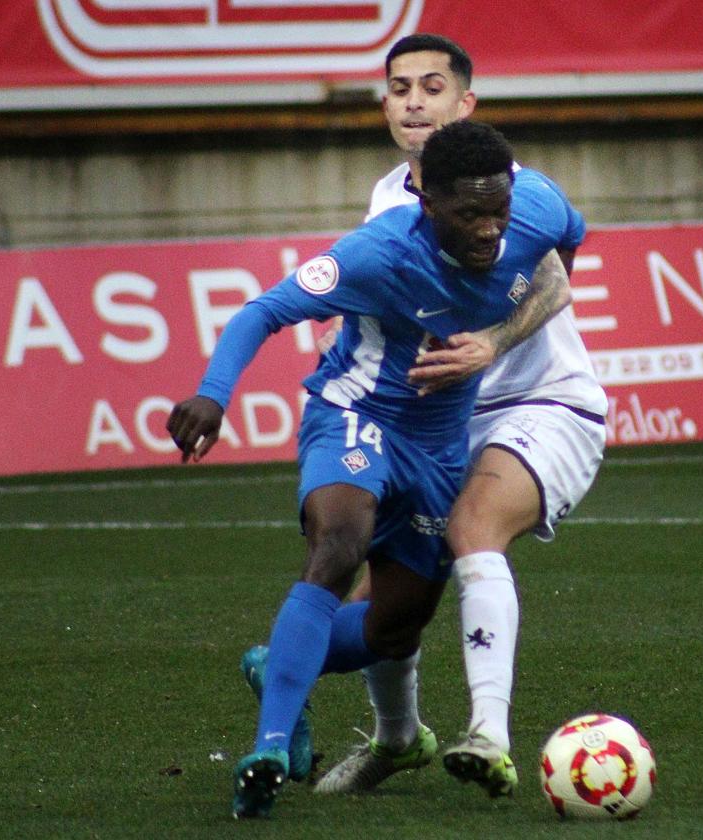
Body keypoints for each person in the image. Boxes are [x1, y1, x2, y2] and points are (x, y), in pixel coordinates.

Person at [167, 120, 580, 818]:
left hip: (441, 447)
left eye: (498, 213)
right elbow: (263, 312)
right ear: (427, 204)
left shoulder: (537, 207)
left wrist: (502, 333)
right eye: (469, 215)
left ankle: (281, 671)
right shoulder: (377, 254)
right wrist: (213, 394)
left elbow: (563, 253)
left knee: (396, 629)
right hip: (357, 413)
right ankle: (269, 747)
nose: (489, 231)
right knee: (338, 545)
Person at [314, 34, 608, 799]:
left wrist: (496, 338)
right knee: (385, 598)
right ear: (384, 105)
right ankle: (398, 739)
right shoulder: (384, 205)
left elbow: (558, 278)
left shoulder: (510, 186)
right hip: (443, 425)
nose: (415, 100)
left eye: (433, 86)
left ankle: (491, 736)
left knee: (473, 527)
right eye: (400, 86)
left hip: (546, 403)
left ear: (465, 103)